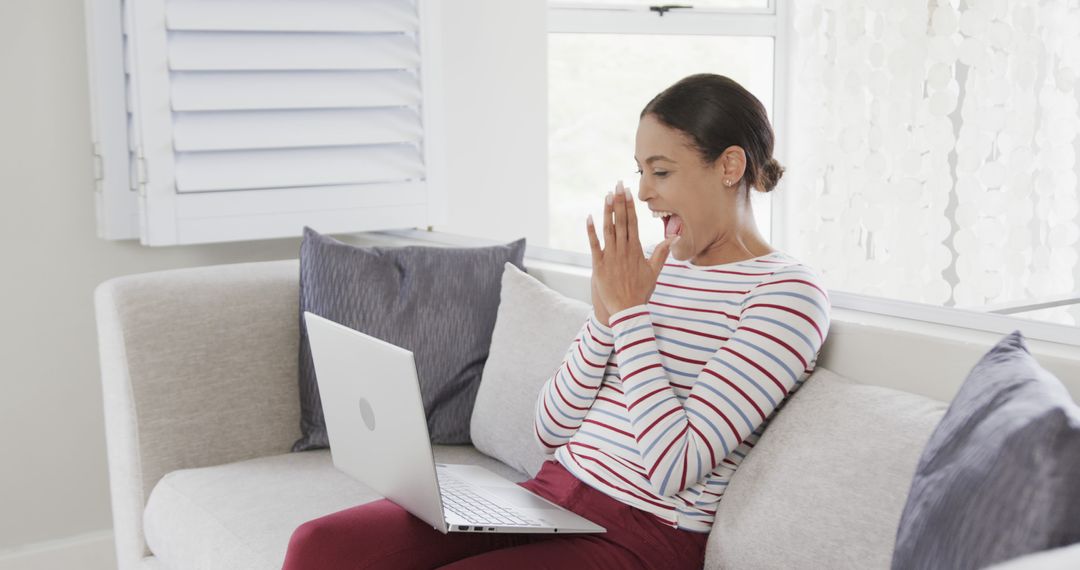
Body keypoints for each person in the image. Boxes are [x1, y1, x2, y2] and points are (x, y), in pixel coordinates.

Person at [282, 73, 831, 570]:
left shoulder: (785, 295)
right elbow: (549, 429)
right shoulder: (648, 269)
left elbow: (674, 465)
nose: (643, 192)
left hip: (640, 535)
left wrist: (632, 315)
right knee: (318, 546)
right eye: (640, 172)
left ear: (730, 167)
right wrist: (603, 320)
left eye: (661, 171)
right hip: (544, 495)